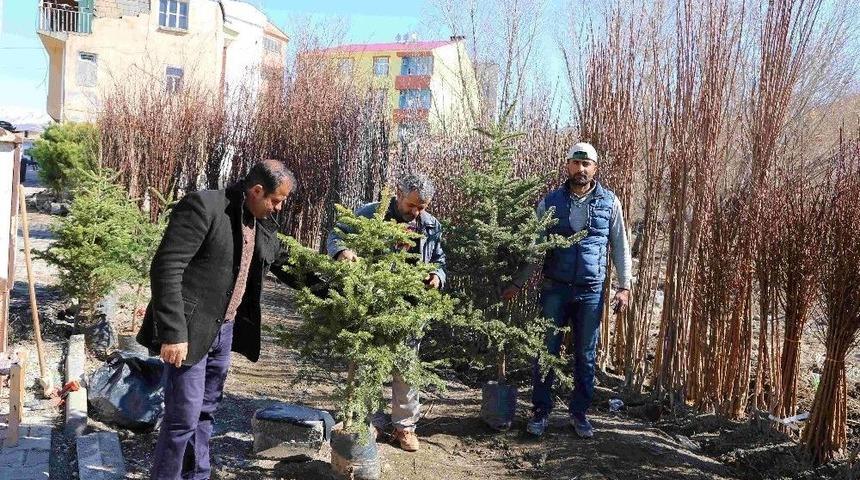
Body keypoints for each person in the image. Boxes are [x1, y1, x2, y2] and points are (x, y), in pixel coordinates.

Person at [137, 159, 306, 479]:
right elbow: (166, 268)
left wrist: (340, 275)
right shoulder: (205, 206)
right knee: (181, 420)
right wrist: (172, 333)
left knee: (204, 414)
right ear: (257, 191)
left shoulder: (261, 223)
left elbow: (291, 265)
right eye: (277, 199)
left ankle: (196, 475)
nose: (279, 207)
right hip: (188, 332)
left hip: (223, 332)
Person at [502, 142, 632, 438]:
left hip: (591, 291)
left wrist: (624, 285)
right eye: (576, 163)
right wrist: (518, 283)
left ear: (595, 168)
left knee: (586, 354)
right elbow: (535, 248)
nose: (581, 169)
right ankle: (541, 411)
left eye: (587, 164)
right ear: (568, 166)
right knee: (546, 350)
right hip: (555, 289)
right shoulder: (550, 202)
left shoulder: (610, 203)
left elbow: (621, 247)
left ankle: (579, 413)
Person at [326, 171, 445, 452]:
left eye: (422, 207)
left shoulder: (431, 225)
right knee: (368, 362)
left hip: (411, 307)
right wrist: (343, 252)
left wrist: (437, 276)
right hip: (373, 302)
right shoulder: (371, 214)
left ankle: (404, 426)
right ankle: (371, 420)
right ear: (398, 194)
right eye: (411, 205)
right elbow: (337, 235)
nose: (415, 212)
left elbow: (439, 259)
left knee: (406, 366)